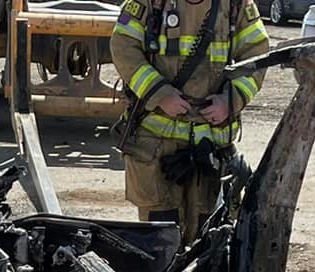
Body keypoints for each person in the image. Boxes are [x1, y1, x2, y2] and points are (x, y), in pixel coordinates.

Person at [109, 0, 270, 241]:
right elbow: (123, 47)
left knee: (210, 233)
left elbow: (257, 55)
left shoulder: (237, 5)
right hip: (156, 146)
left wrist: (230, 100)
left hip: (210, 148)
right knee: (160, 237)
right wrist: (160, 94)